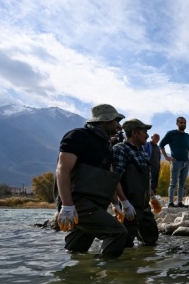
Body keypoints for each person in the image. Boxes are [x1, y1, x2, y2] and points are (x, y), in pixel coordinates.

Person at [55, 103, 128, 257]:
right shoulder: (77, 136)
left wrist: (116, 203)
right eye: (116, 121)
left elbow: (108, 177)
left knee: (77, 247)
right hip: (77, 202)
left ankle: (73, 276)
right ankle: (109, 276)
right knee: (118, 233)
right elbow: (62, 170)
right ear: (105, 121)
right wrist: (67, 205)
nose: (119, 126)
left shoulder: (106, 144)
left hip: (95, 203)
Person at [112, 119, 159, 247]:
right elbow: (114, 179)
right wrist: (124, 203)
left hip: (144, 205)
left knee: (152, 239)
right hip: (129, 206)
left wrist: (152, 196)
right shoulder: (120, 149)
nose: (147, 135)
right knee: (124, 244)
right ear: (134, 133)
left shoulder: (142, 152)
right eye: (144, 131)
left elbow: (145, 179)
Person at [159, 116, 189, 208]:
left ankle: (180, 202)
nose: (183, 124)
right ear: (177, 123)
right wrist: (167, 157)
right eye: (181, 122)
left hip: (186, 162)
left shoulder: (187, 136)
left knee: (182, 184)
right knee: (173, 183)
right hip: (176, 162)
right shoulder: (171, 133)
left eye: (184, 123)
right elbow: (161, 145)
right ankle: (170, 203)